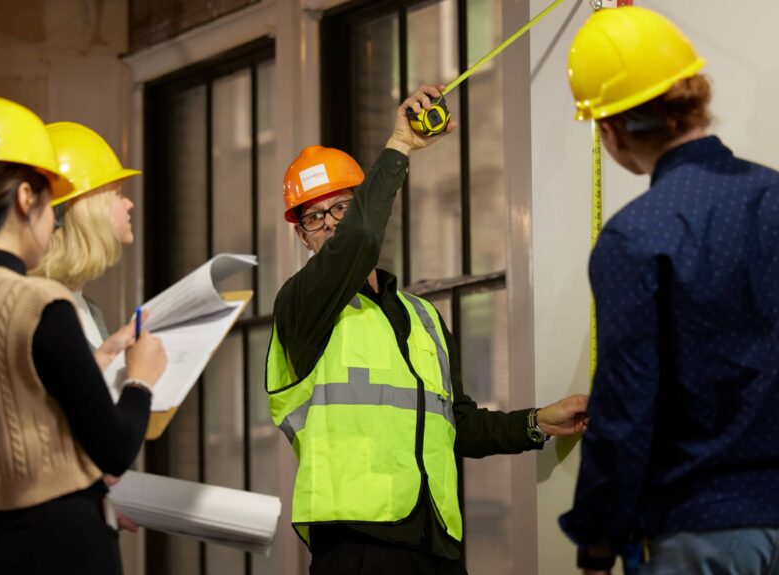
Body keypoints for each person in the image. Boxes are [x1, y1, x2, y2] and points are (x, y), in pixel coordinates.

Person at [265, 84, 589, 575]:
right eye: (315, 216)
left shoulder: (423, 318)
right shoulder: (300, 306)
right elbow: (361, 239)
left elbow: (457, 426)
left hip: (437, 542)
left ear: (361, 204)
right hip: (355, 547)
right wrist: (400, 145)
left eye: (341, 207)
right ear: (302, 234)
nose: (330, 223)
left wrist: (537, 422)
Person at [558, 7, 779, 574]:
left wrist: (597, 541)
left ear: (608, 129)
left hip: (704, 530)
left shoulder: (636, 237)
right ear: (694, 96)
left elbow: (625, 409)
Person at [0, 95, 166, 575]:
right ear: (27, 198)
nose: (54, 223)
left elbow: (16, 426)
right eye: (52, 203)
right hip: (64, 546)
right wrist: (140, 379)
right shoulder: (39, 305)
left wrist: (96, 361)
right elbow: (114, 447)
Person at [33, 121, 140, 372]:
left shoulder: (87, 308)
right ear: (86, 210)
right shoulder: (41, 313)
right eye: (118, 193)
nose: (129, 203)